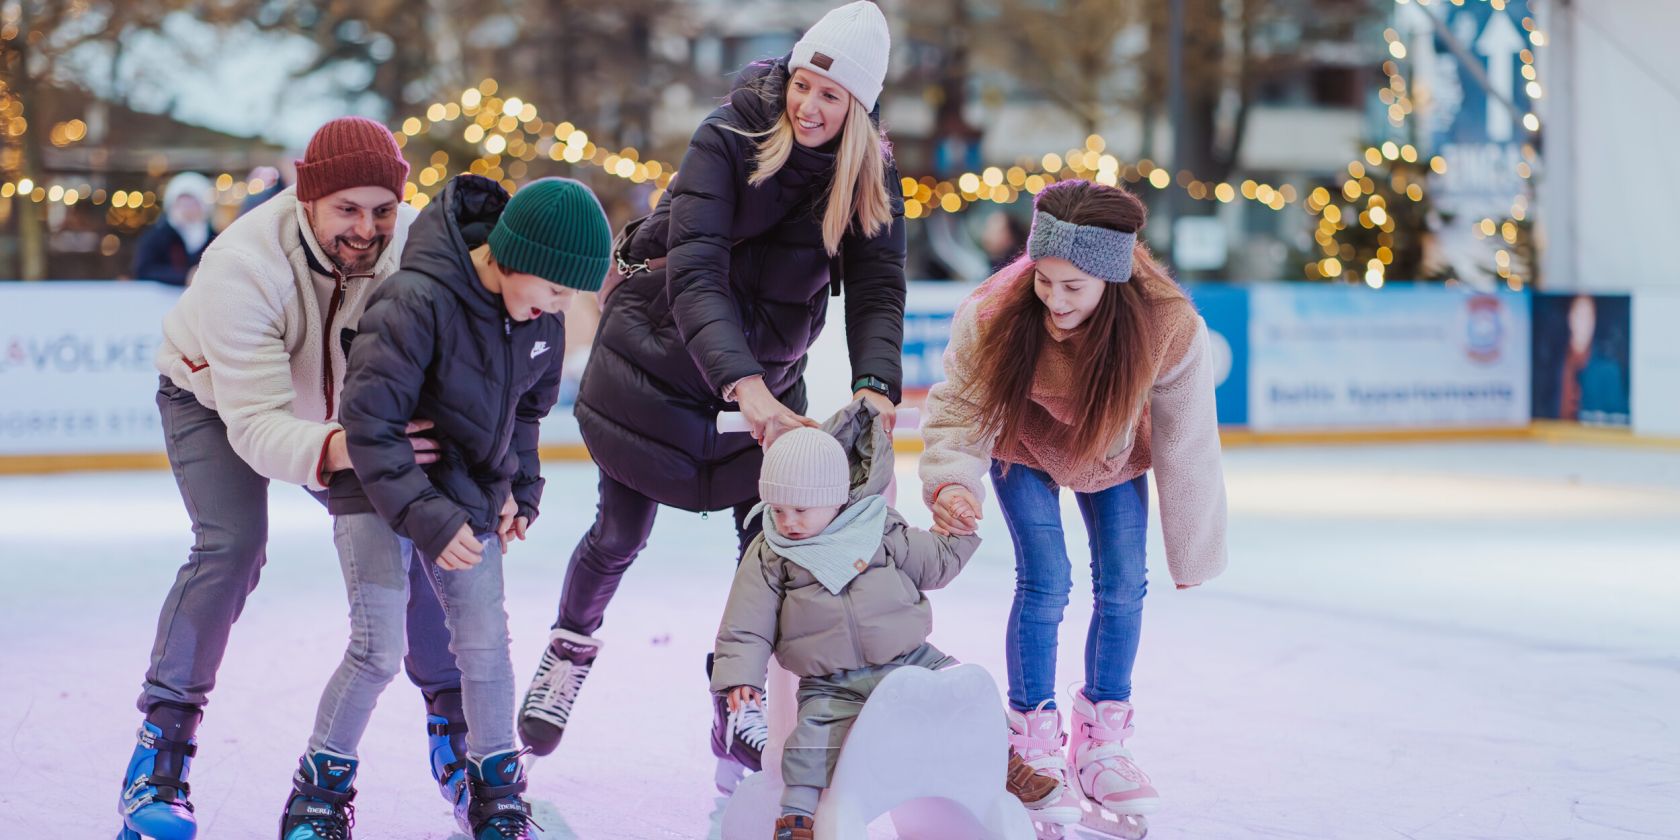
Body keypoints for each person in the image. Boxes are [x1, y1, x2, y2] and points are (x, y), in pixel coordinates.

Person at [517, 0, 909, 786]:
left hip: (763, 385)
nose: (809, 105)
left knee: (763, 553)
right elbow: (694, 274)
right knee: (618, 535)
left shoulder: (868, 175)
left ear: (858, 107)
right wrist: (747, 389)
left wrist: (874, 385)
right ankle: (566, 650)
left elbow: (878, 288)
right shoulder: (725, 137)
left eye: (831, 96)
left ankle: (738, 698)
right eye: (804, 84)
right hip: (653, 371)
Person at [117, 117, 464, 840]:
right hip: (214, 402)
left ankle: (456, 735)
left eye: (382, 209)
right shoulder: (243, 264)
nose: (366, 229)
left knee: (424, 535)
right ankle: (161, 754)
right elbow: (257, 428)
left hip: (351, 419)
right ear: (308, 199)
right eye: (347, 209)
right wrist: (355, 443)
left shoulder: (412, 249)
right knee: (232, 545)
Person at [276, 174, 613, 840]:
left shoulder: (538, 322)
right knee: (378, 647)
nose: (560, 305)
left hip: (468, 496)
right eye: (555, 287)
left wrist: (521, 487)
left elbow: (526, 411)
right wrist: (430, 520)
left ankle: (496, 790)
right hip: (373, 490)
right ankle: (318, 791)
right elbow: (368, 427)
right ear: (514, 260)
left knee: (485, 645)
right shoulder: (415, 300)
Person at [919, 179, 1229, 832]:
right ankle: (1032, 739)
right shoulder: (996, 312)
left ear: (1111, 280)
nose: (1054, 300)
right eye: (1045, 280)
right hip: (1024, 446)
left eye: (1074, 287)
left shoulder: (1167, 324)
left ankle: (1102, 744)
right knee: (1047, 581)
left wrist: (1194, 546)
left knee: (1124, 585)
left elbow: (1188, 438)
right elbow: (961, 404)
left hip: (1112, 455)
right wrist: (951, 480)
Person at [711, 406, 1054, 839]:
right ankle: (797, 818)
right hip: (831, 681)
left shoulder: (876, 528)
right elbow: (746, 622)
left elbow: (934, 562)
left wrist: (960, 532)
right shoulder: (771, 553)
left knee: (967, 696)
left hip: (911, 659)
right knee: (811, 742)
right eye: (776, 510)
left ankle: (1005, 765)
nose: (787, 522)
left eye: (799, 508)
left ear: (835, 497)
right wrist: (741, 676)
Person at [132, 172, 217, 286]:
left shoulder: (214, 237)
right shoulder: (157, 237)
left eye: (192, 203)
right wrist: (185, 277)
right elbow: (144, 270)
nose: (187, 209)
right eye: (182, 202)